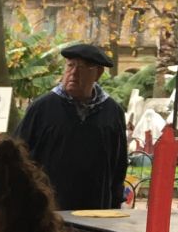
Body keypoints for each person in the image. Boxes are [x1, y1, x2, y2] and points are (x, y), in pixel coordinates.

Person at [15, 43, 128, 211]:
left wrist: (116, 202)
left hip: (96, 210)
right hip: (48, 211)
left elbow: (118, 164)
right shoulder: (42, 108)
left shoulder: (112, 112)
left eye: (82, 68)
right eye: (70, 66)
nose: (73, 73)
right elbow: (18, 155)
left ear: (97, 73)